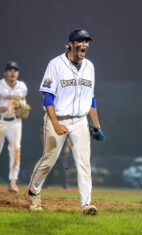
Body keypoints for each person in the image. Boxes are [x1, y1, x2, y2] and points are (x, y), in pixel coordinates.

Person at [26, 29, 105, 215]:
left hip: (80, 121)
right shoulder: (55, 64)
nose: (84, 45)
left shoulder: (90, 66)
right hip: (58, 118)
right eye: (80, 41)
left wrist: (96, 125)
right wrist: (54, 123)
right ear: (70, 44)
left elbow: (91, 99)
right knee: (49, 160)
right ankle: (33, 192)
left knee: (84, 163)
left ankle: (86, 204)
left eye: (87, 41)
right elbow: (47, 96)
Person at [0, 61, 28, 193]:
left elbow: (23, 101)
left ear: (18, 73)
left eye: (15, 70)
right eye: (10, 70)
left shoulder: (22, 86)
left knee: (16, 149)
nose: (13, 72)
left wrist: (23, 107)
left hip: (15, 122)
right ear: (5, 73)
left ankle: (13, 181)